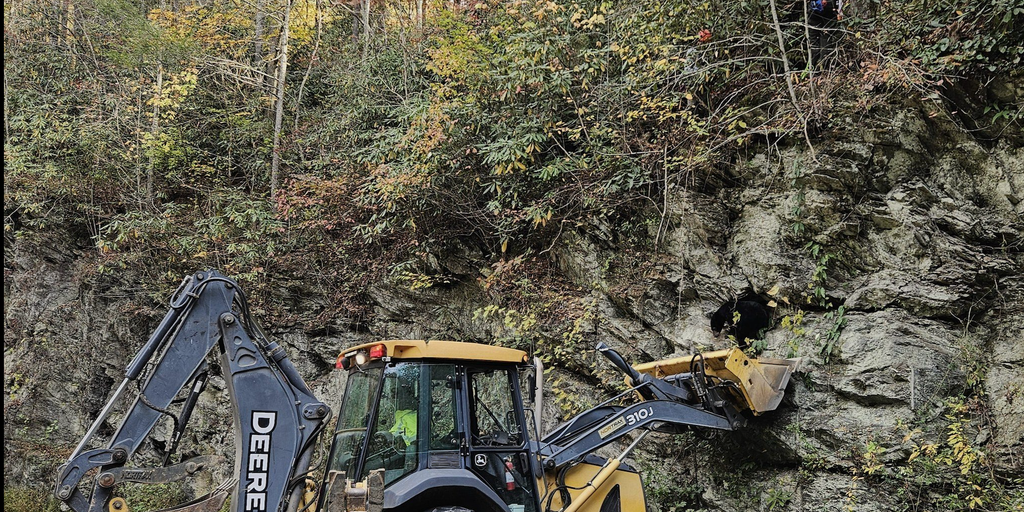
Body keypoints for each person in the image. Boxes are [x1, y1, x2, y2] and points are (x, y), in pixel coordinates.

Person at [809, 0, 844, 67]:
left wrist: (839, 11)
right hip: (816, 14)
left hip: (829, 14)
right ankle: (813, 66)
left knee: (825, 41)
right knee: (814, 45)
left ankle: (823, 66)